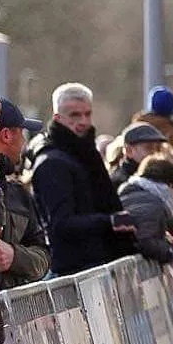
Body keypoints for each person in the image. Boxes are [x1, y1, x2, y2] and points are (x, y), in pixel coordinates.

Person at [32, 83, 138, 277]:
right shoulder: (52, 163)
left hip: (96, 266)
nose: (83, 121)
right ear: (58, 118)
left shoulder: (87, 155)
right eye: (74, 115)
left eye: (87, 114)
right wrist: (109, 221)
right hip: (73, 272)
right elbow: (61, 224)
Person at [0, 99, 49, 292]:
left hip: (11, 319)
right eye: (22, 133)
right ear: (6, 135)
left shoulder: (19, 194)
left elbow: (43, 256)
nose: (25, 142)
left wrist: (14, 257)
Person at [117, 156, 173, 265]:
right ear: (171, 185)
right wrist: (168, 251)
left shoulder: (128, 193)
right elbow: (144, 240)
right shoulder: (154, 204)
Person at [110, 123, 170, 188]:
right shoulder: (118, 182)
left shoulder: (164, 177)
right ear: (129, 151)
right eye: (149, 148)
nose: (155, 153)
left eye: (159, 148)